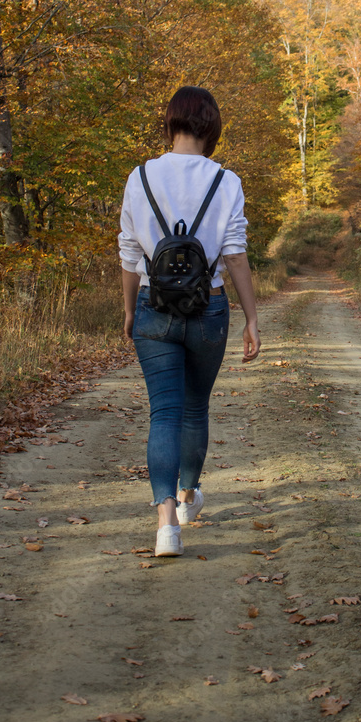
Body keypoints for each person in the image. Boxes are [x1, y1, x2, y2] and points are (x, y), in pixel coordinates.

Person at [118, 86, 260, 557]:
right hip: (209, 309)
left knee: (164, 412)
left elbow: (128, 252)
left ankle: (165, 527)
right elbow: (236, 256)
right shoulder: (226, 181)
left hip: (153, 308)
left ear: (170, 122)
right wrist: (252, 319)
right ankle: (187, 498)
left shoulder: (139, 177)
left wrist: (129, 308)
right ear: (211, 126)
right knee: (195, 408)